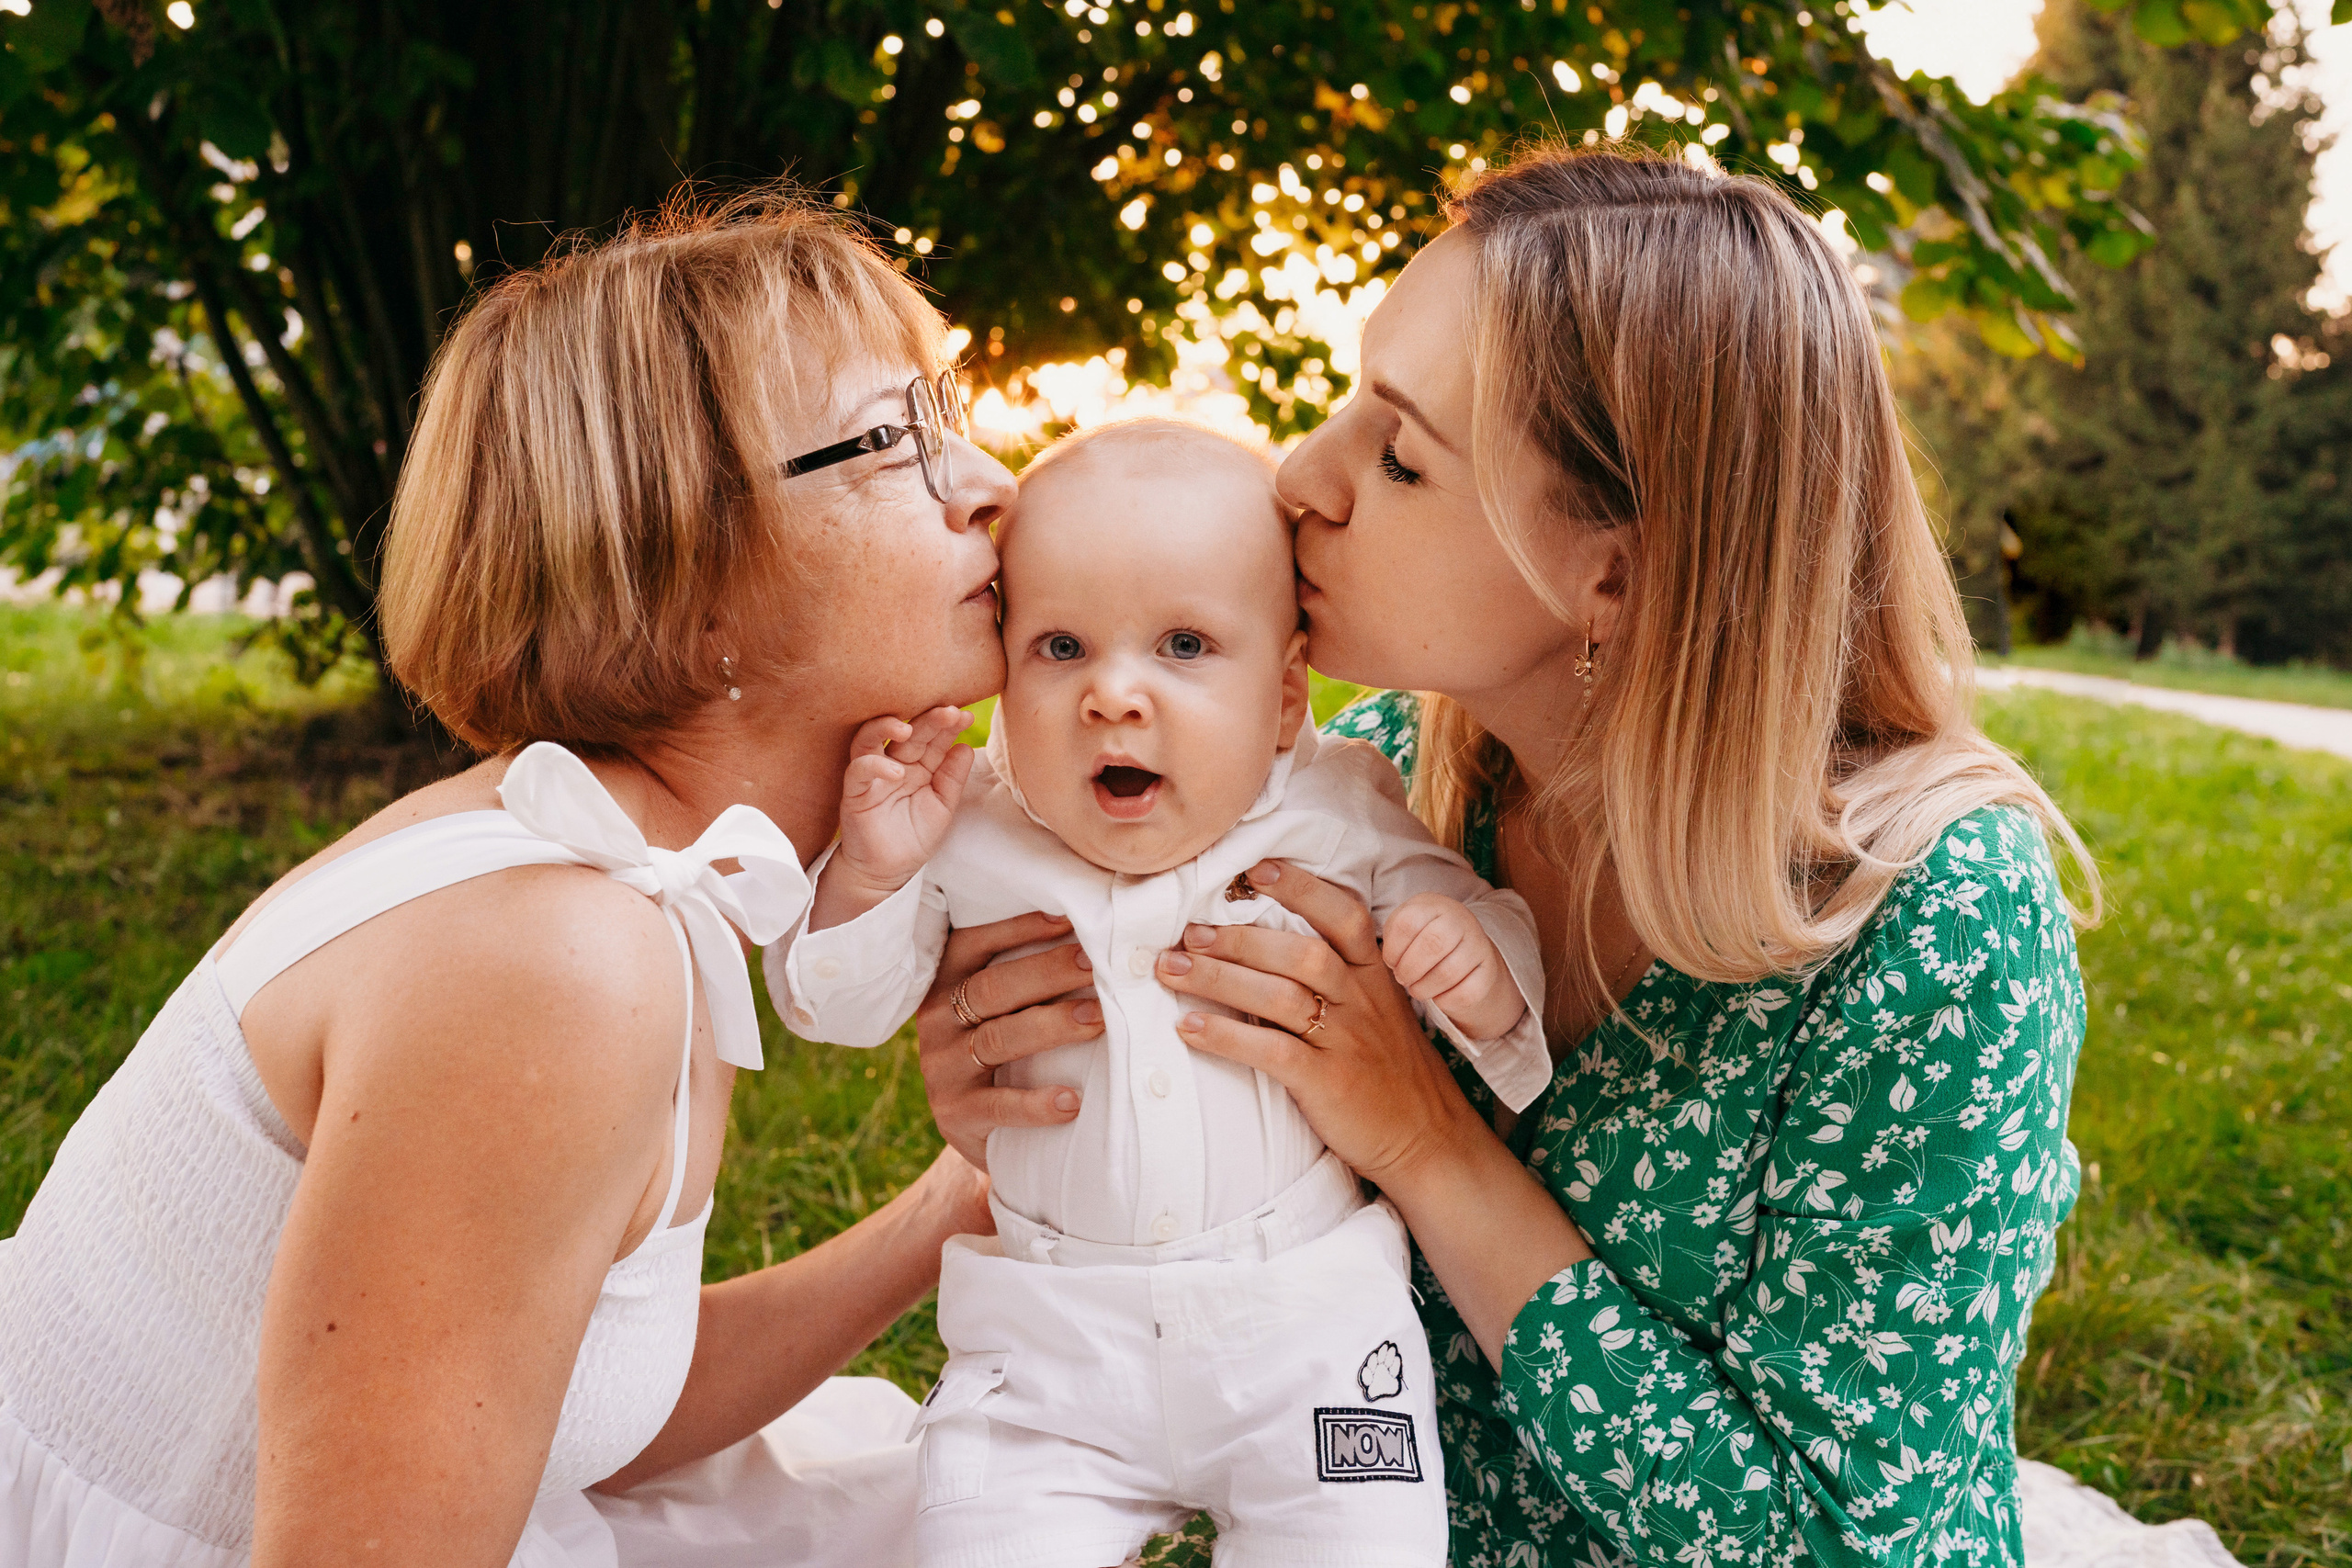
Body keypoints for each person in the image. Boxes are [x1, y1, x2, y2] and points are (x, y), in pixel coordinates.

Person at [917, 145, 2103, 1568]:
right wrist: (1017, 1103)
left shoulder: (1936, 921)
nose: (1303, 472)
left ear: (1613, 569)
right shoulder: (1381, 773)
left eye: (1400, 453)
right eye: (1353, 402)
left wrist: (1425, 1138)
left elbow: (1840, 1544)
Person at [0, 190, 1007, 1568]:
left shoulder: (637, 873)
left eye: (948, 410)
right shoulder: (557, 956)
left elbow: (551, 1398)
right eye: (894, 438)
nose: (992, 480)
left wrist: (954, 1202)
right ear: (689, 580)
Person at [775, 420, 1547, 1568]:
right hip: (1045, 1353)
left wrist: (1473, 965)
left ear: (1285, 698)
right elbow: (837, 1008)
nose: (1113, 694)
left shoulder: (1334, 807)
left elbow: (1490, 957)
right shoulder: (972, 830)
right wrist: (872, 878)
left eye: (1183, 644)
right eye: (1060, 647)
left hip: (1311, 1334)